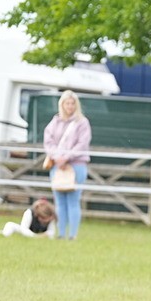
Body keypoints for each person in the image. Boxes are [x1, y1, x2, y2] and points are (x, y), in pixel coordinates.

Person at [42, 90, 91, 240]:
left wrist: (67, 157)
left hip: (76, 165)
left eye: (72, 103)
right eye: (67, 103)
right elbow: (48, 141)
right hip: (57, 166)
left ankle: (73, 235)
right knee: (59, 201)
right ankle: (61, 233)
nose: (69, 106)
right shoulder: (55, 122)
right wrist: (57, 157)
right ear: (62, 105)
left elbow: (82, 143)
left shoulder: (82, 123)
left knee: (73, 200)